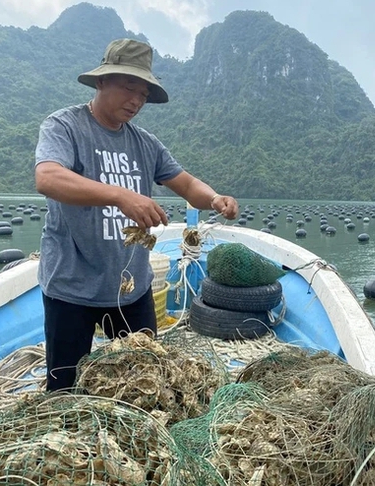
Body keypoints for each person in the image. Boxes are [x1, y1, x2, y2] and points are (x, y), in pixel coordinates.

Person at [34, 38, 239, 391]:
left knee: (145, 385)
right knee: (64, 391)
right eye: (129, 88)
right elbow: (48, 178)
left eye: (143, 94)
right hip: (71, 286)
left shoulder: (145, 143)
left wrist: (216, 198)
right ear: (101, 81)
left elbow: (188, 185)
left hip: (131, 287)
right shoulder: (65, 126)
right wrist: (120, 195)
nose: (136, 101)